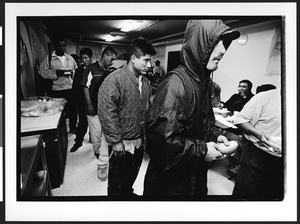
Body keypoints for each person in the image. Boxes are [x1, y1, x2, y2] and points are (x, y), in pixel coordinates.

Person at [143, 20, 240, 197]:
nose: (223, 50)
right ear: (200, 45)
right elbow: (160, 145)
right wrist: (202, 150)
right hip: (170, 187)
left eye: (225, 43)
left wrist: (217, 136)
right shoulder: (175, 85)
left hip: (194, 177)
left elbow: (203, 123)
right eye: (216, 42)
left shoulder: (203, 83)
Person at [98, 37, 157, 197]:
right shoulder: (114, 80)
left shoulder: (145, 83)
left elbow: (146, 110)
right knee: (117, 184)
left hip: (137, 142)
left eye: (150, 61)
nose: (150, 65)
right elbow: (107, 112)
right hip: (121, 145)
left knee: (131, 177)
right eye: (145, 61)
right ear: (133, 58)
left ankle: (127, 195)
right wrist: (116, 142)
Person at [232, 88, 283, 200]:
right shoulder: (265, 97)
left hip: (282, 162)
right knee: (244, 197)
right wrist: (259, 134)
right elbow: (240, 120)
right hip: (257, 155)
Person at [81, 47, 117, 170]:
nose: (112, 62)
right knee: (96, 136)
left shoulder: (109, 71)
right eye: (111, 59)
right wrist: (89, 104)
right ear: (106, 56)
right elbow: (85, 87)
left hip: (105, 109)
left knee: (105, 135)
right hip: (93, 109)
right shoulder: (91, 69)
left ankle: (104, 156)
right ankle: (97, 153)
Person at [39, 38, 78, 133]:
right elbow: (42, 72)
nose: (61, 47)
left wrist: (71, 73)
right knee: (57, 112)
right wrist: (56, 73)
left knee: (73, 110)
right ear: (55, 46)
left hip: (70, 88)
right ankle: (58, 131)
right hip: (56, 90)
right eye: (59, 45)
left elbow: (76, 70)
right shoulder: (48, 58)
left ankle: (73, 127)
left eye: (63, 45)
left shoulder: (70, 58)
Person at [69, 48, 93, 152]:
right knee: (82, 122)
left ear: (91, 58)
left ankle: (94, 142)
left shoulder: (94, 69)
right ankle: (78, 141)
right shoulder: (79, 70)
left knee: (94, 123)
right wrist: (79, 100)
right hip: (82, 102)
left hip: (94, 101)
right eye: (82, 58)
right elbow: (75, 87)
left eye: (86, 58)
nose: (83, 60)